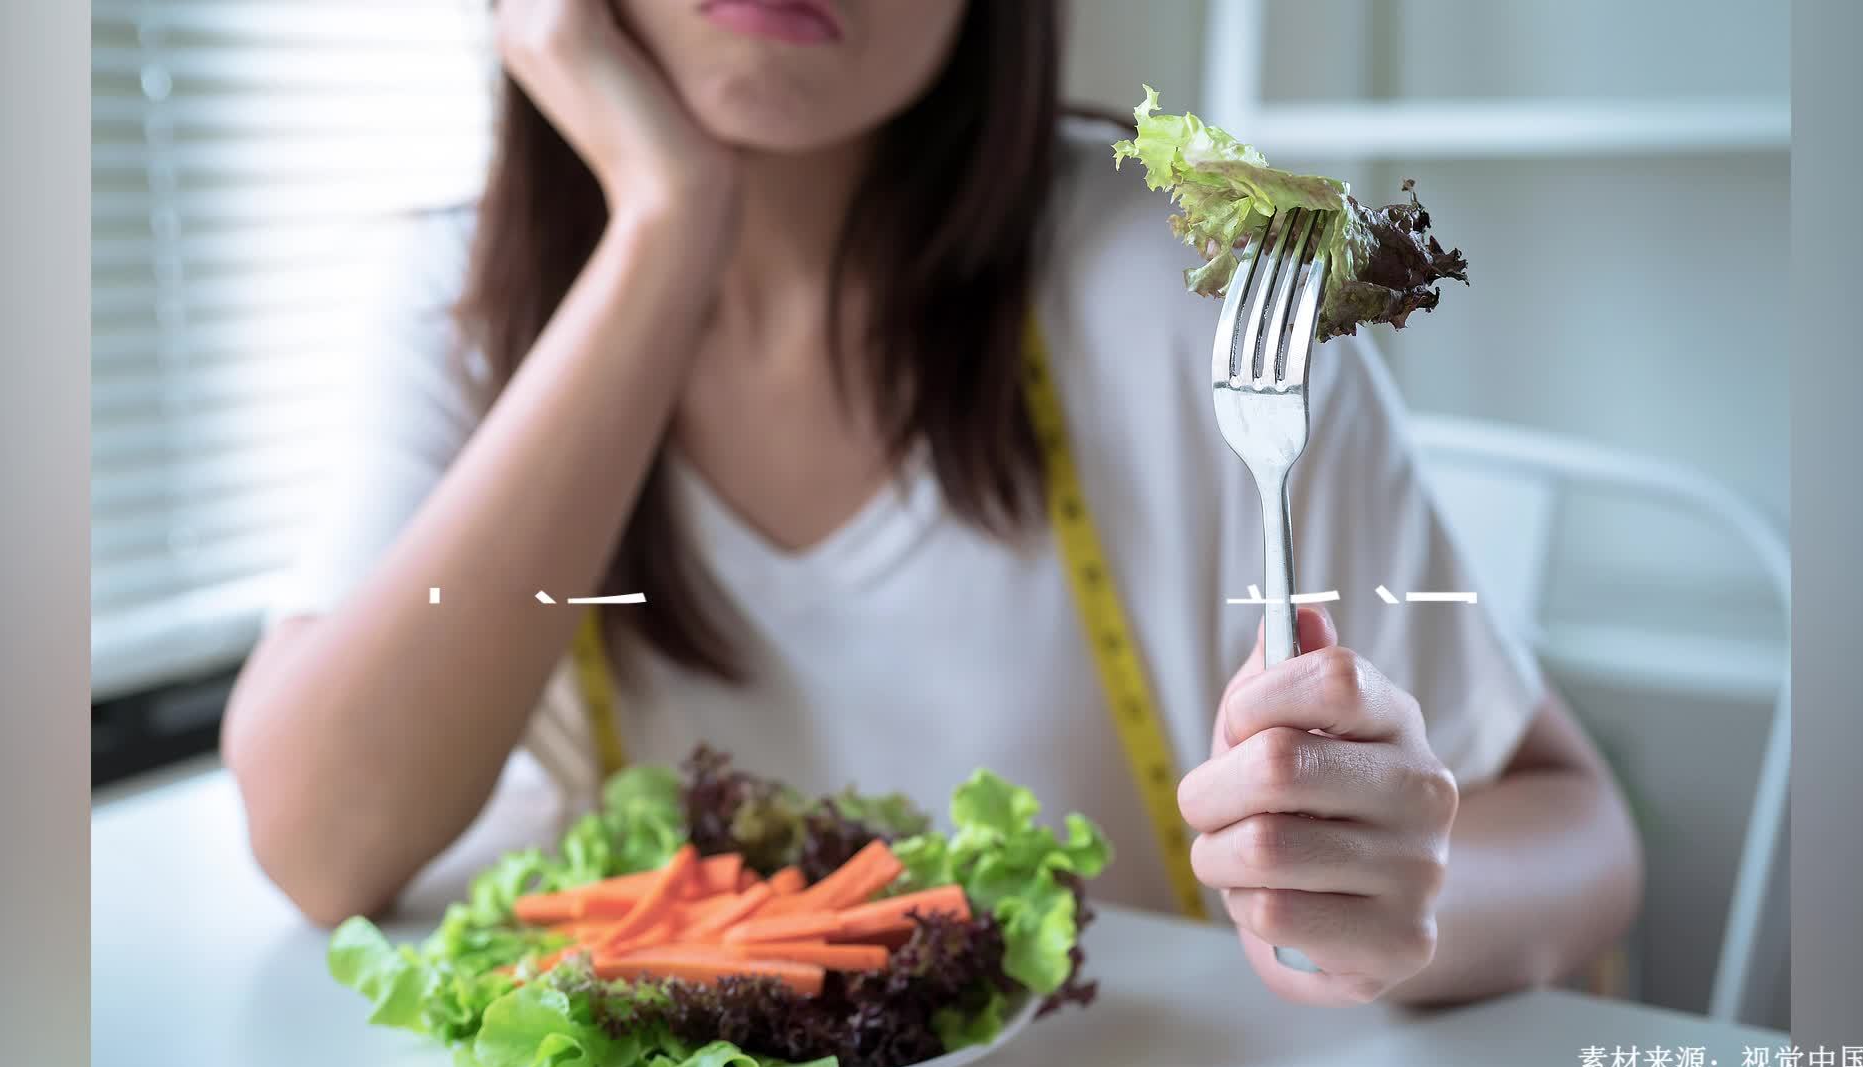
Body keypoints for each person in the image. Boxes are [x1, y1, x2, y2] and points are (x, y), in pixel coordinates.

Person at [221, 0, 1640, 1008]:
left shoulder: (1186, 286)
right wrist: (664, 221)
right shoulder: (456, 304)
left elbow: (1581, 834)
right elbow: (318, 840)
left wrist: (1383, 899)